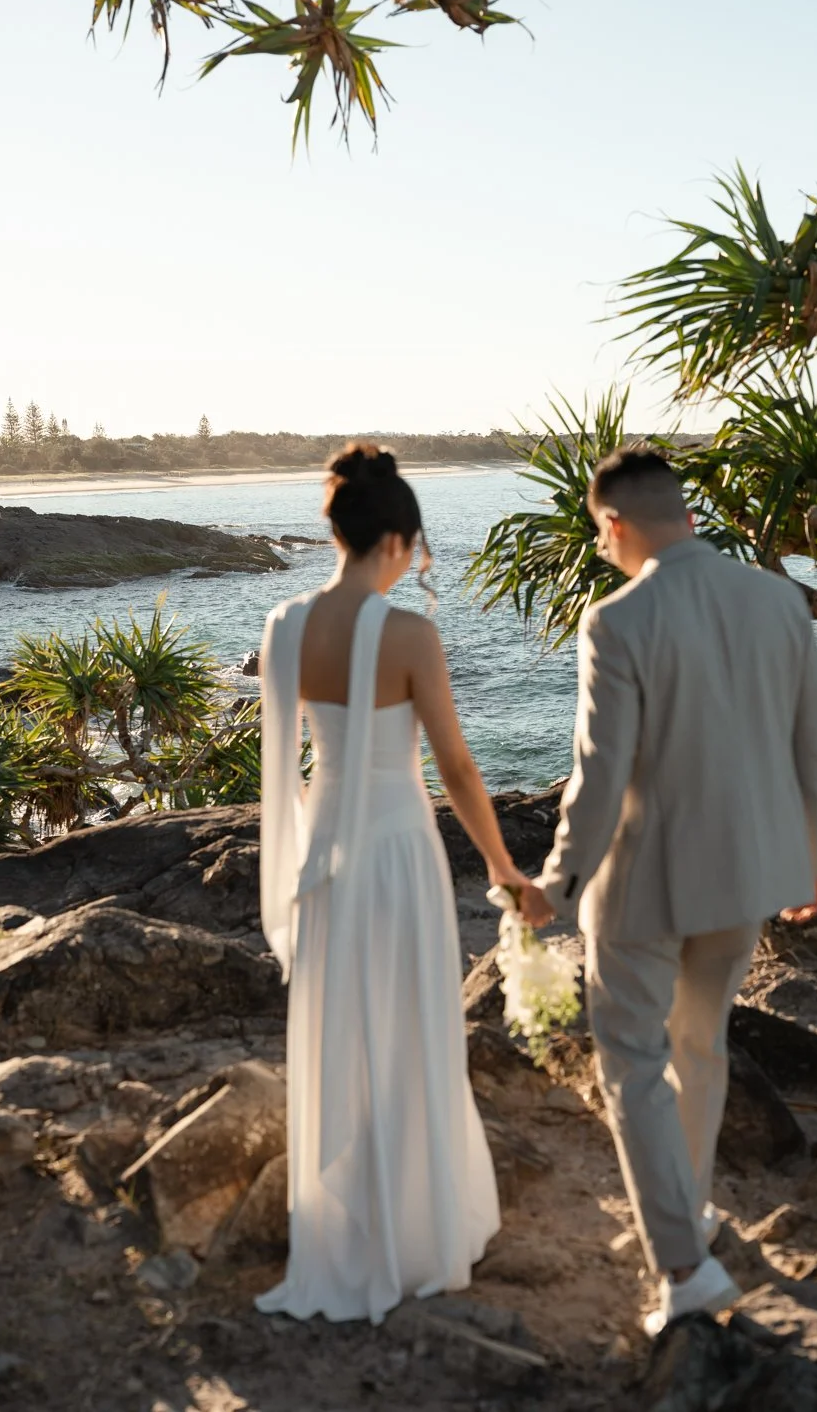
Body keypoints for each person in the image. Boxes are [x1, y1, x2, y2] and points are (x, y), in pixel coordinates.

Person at [520, 447, 817, 1335]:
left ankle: (685, 1269)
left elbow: (600, 770)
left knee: (633, 1067)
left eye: (599, 534)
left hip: (645, 884)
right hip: (749, 878)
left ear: (613, 526)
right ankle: (688, 1211)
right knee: (702, 1045)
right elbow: (813, 743)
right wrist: (811, 859)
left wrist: (556, 881)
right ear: (686, 514)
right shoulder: (779, 598)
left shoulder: (617, 619)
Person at [255, 442, 522, 1324]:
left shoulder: (284, 626)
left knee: (341, 1026)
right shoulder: (409, 634)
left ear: (337, 529)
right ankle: (415, 1227)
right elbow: (455, 765)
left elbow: (282, 767)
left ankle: (344, 1226)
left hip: (324, 844)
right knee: (409, 1024)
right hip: (399, 848)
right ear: (399, 540)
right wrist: (501, 864)